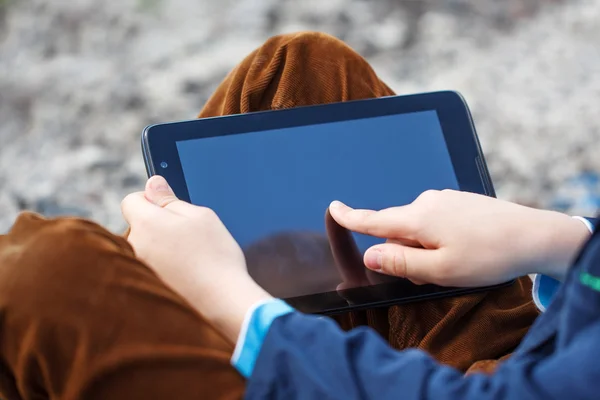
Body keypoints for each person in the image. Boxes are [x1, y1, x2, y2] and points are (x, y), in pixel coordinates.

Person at [0, 32, 591, 399]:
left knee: (48, 273)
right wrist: (562, 242)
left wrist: (237, 304)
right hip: (548, 353)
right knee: (304, 68)